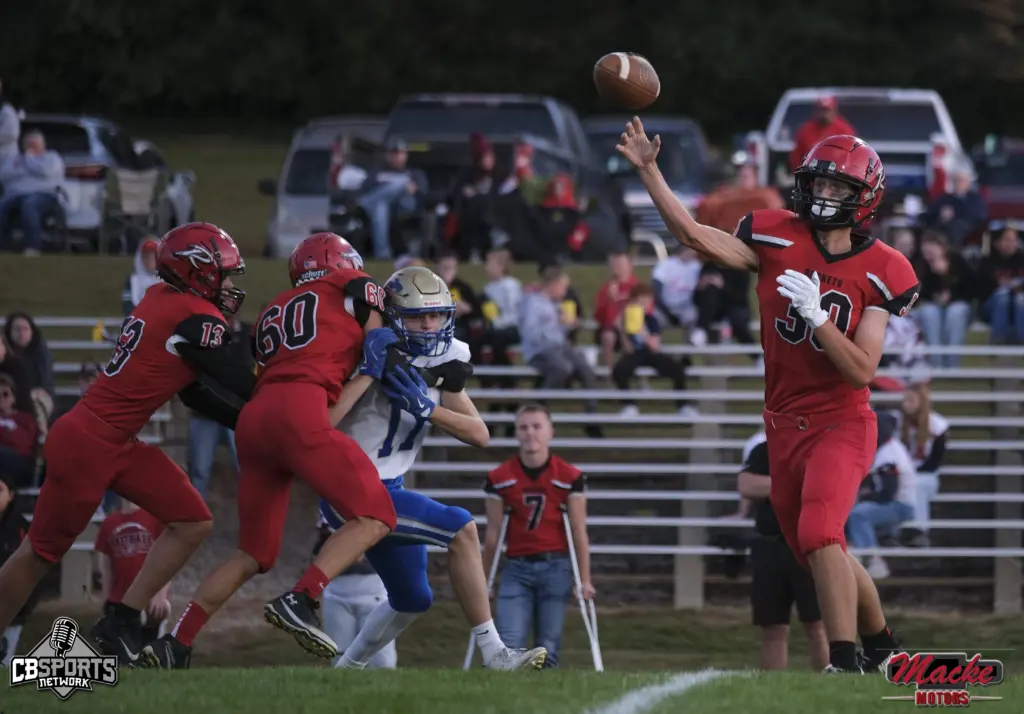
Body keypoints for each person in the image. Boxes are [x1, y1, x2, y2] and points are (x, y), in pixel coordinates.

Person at [618, 121, 917, 673]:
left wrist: (818, 318)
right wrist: (650, 171)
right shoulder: (775, 234)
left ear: (864, 198)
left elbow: (861, 370)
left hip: (841, 420)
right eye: (819, 183)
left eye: (838, 187)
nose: (824, 194)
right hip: (783, 424)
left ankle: (844, 660)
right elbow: (693, 236)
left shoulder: (885, 268)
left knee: (821, 533)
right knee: (817, 549)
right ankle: (883, 648)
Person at [0, 222, 253, 665]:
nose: (229, 286)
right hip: (89, 442)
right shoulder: (195, 317)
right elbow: (239, 379)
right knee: (38, 554)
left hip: (115, 439)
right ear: (196, 272)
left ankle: (121, 619)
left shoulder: (160, 298)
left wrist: (245, 422)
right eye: (223, 275)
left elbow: (192, 390)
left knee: (192, 520)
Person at [143, 233, 397, 669]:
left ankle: (177, 642)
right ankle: (303, 597)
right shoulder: (352, 285)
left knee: (253, 553)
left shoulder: (271, 311)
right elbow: (381, 343)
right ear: (341, 263)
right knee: (377, 516)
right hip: (299, 409)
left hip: (255, 419)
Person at [319, 266, 546, 671]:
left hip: (390, 486)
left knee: (412, 598)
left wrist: (429, 408)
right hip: (350, 487)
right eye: (417, 316)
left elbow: (480, 434)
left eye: (436, 314)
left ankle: (346, 669)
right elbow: (321, 425)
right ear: (393, 317)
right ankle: (495, 653)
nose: (429, 325)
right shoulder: (366, 350)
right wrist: (369, 371)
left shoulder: (446, 357)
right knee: (462, 527)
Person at [483, 404, 593, 669]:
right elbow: (493, 534)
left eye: (537, 426)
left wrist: (585, 579)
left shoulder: (569, 476)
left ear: (550, 432)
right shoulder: (500, 477)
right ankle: (507, 691)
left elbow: (578, 530)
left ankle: (545, 692)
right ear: (516, 433)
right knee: (509, 643)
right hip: (516, 568)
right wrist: (484, 580)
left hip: (556, 566)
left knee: (548, 646)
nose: (530, 433)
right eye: (523, 427)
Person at [737, 432, 828, 671]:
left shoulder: (821, 450)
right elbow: (746, 485)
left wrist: (771, 485)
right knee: (773, 626)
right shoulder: (765, 449)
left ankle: (831, 683)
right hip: (769, 547)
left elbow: (819, 487)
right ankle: (772, 687)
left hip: (808, 546)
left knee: (818, 624)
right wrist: (788, 483)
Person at [314, 521, 395, 670]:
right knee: (341, 660)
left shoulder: (380, 514)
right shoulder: (329, 513)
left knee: (381, 661)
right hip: (336, 592)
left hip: (374, 590)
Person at [847, 412, 918, 581]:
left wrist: (863, 498)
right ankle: (851, 552)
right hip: (895, 500)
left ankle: (873, 560)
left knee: (859, 514)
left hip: (901, 505)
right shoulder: (886, 448)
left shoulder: (890, 455)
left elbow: (888, 493)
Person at [94, 499, 172, 643]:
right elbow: (106, 567)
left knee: (150, 645)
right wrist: (106, 601)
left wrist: (160, 594)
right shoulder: (109, 523)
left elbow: (168, 560)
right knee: (121, 648)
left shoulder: (155, 518)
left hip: (149, 599)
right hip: (120, 599)